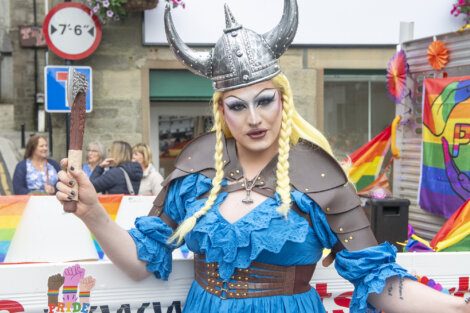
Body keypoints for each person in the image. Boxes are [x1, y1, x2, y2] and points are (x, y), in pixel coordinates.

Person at [55, 1, 470, 312]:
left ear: (283, 100)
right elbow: (140, 262)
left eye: (265, 101)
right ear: (221, 111)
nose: (254, 119)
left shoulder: (318, 173)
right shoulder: (195, 165)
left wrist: (456, 306)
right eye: (238, 106)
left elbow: (376, 279)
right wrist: (91, 211)